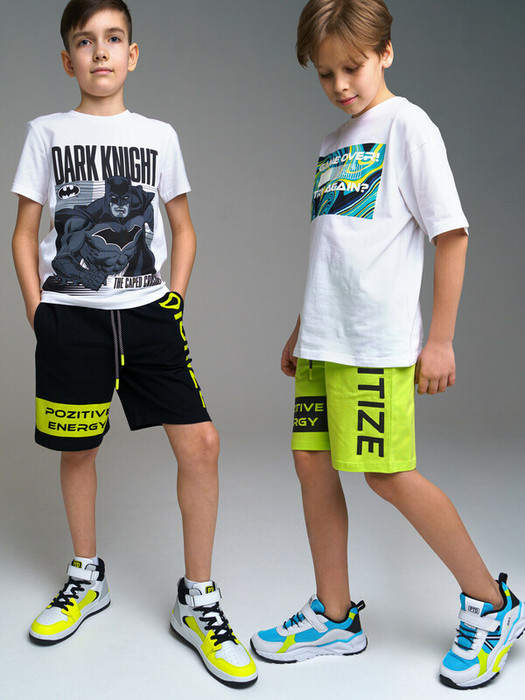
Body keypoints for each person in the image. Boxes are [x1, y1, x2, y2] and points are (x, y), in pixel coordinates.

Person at [250, 0, 524, 690]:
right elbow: (336, 249)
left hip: (373, 347)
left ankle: (493, 606)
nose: (340, 84)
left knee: (386, 475)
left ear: (386, 53)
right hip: (325, 341)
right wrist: (303, 327)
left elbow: (451, 234)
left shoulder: (408, 127)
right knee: (312, 464)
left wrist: (441, 339)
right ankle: (334, 617)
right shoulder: (333, 143)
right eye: (325, 73)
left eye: (353, 67)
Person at [11, 0, 257, 688]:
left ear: (133, 53)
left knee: (200, 444)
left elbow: (184, 227)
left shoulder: (158, 136)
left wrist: (173, 298)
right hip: (72, 317)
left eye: (113, 38)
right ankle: (85, 577)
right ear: (68, 60)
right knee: (79, 449)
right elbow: (24, 234)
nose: (100, 51)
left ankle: (198, 600)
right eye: (85, 41)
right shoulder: (45, 133)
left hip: (148, 315)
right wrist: (39, 312)